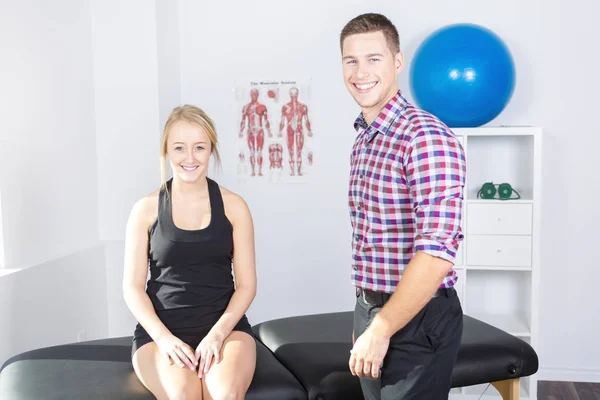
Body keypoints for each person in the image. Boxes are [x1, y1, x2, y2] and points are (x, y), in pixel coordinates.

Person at [339, 13, 467, 399]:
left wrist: (381, 327)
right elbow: (372, 242)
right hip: (373, 308)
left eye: (373, 58)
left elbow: (437, 252)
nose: (361, 72)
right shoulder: (365, 140)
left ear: (397, 62)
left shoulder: (424, 137)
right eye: (351, 60)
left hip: (420, 318)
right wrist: (366, 316)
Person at [123, 105, 257, 400]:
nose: (190, 157)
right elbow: (132, 288)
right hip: (161, 335)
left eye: (200, 147)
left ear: (211, 150)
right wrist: (164, 339)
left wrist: (218, 335)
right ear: (167, 152)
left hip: (225, 330)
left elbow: (246, 286)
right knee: (184, 395)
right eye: (179, 148)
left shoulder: (235, 207)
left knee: (224, 394)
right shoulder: (145, 210)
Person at [278, 87, 313, 176]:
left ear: (298, 94)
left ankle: (298, 171)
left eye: (295, 94)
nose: (294, 96)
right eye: (292, 94)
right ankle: (292, 171)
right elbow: (282, 120)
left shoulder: (303, 107)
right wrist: (280, 131)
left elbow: (306, 120)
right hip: (290, 129)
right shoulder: (285, 107)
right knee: (290, 150)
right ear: (289, 95)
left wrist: (309, 130)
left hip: (299, 129)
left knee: (299, 151)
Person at [239, 88, 272, 177]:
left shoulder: (262, 107)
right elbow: (243, 121)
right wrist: (241, 131)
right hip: (250, 131)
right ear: (250, 95)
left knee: (259, 151)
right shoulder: (246, 107)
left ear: (257, 95)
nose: (254, 96)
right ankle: (253, 171)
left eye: (255, 94)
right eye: (252, 94)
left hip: (259, 130)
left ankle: (260, 171)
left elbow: (266, 120)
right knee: (252, 152)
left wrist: (269, 131)